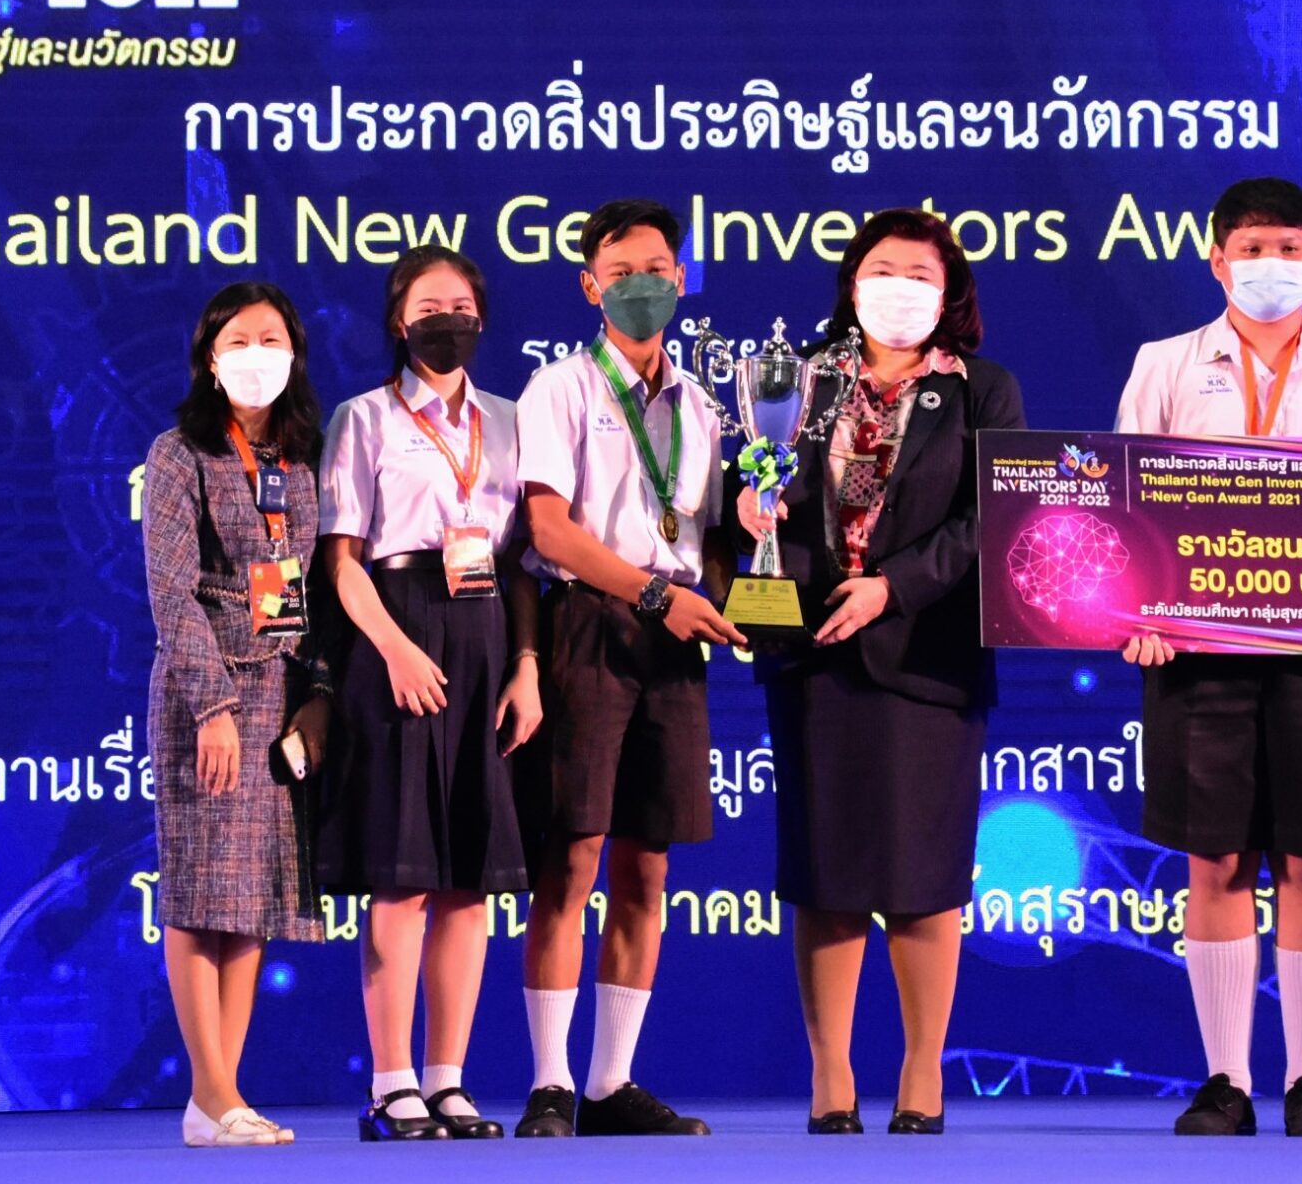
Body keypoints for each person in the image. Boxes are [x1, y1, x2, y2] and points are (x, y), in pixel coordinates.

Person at [1112, 176, 1302, 1138]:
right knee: (1216, 858)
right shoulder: (1164, 363)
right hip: (1198, 654)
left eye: (1287, 248)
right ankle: (1226, 1081)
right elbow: (1126, 502)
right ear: (1216, 261)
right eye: (1250, 248)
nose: (1269, 264)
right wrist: (1139, 611)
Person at [733, 209, 1026, 1136]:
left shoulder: (981, 390)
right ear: (853, 282)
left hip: (928, 656)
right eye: (882, 269)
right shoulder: (798, 378)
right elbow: (756, 480)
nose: (899, 287)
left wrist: (892, 588)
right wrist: (747, 504)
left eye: (919, 274)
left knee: (923, 874)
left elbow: (989, 521)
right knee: (826, 871)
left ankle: (921, 1071)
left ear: (949, 292)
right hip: (813, 650)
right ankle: (831, 1075)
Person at [512, 199, 744, 1137]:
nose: (641, 286)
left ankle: (611, 1085)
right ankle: (550, 1083)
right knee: (571, 858)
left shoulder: (705, 407)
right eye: (621, 273)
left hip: (675, 639)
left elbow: (708, 537)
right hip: (590, 626)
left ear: (681, 279)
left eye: (656, 269)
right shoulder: (559, 389)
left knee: (649, 863)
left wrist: (740, 585)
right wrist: (655, 594)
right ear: (590, 287)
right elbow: (549, 529)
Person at [317, 246, 543, 1141]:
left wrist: (526, 665)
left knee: (468, 883)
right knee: (403, 875)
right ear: (398, 321)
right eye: (428, 306)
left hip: (485, 634)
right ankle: (391, 1085)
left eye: (461, 306)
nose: (448, 319)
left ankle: (449, 1081)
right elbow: (342, 560)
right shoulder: (363, 417)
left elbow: (523, 563)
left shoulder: (511, 420)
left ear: (481, 318)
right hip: (396, 631)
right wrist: (395, 650)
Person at [141, 280, 330, 1148]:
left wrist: (316, 696)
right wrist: (211, 703)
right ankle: (211, 1092)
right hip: (205, 690)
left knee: (251, 898)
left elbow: (310, 589)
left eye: (272, 339)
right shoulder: (180, 453)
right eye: (240, 341)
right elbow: (171, 591)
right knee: (198, 893)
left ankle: (224, 1096)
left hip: (278, 691)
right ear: (211, 360)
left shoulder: (299, 459)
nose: (259, 355)